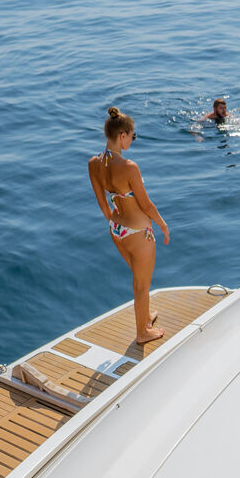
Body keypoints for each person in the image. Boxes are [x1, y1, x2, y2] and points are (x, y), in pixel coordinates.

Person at [88, 107, 170, 345]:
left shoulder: (94, 163)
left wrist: (116, 225)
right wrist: (163, 225)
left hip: (117, 231)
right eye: (132, 136)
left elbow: (103, 205)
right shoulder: (129, 167)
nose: (132, 140)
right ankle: (142, 333)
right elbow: (146, 204)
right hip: (138, 233)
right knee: (142, 285)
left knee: (138, 278)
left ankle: (145, 316)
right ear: (122, 135)